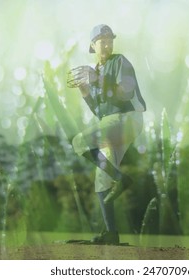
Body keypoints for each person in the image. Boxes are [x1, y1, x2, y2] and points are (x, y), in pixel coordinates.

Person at [66, 24, 146, 245]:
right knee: (102, 180)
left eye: (110, 39)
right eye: (102, 39)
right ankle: (111, 233)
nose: (108, 43)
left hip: (128, 118)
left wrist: (97, 80)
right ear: (93, 45)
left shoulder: (120, 62)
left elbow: (125, 92)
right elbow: (99, 112)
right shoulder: (96, 72)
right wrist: (85, 92)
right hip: (111, 123)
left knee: (79, 142)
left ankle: (121, 179)